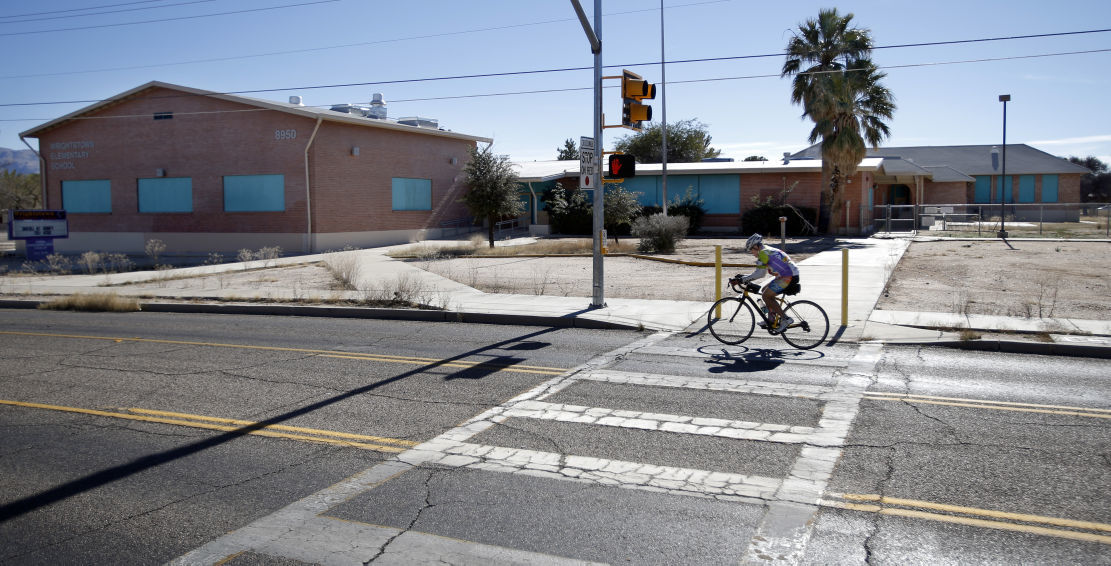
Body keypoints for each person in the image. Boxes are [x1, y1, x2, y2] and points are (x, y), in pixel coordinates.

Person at [730, 233, 800, 332]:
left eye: (752, 250)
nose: (752, 253)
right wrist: (744, 277)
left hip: (788, 276)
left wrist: (742, 279)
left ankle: (786, 319)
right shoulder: (765, 250)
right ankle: (771, 319)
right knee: (764, 290)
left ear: (756, 246)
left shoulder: (763, 253)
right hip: (787, 275)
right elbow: (758, 273)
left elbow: (759, 274)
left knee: (766, 296)